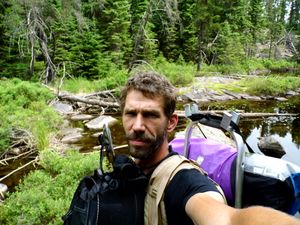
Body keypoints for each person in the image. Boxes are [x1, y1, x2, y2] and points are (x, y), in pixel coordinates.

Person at [119, 71, 300, 225]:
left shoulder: (184, 181)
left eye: (150, 115)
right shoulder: (127, 169)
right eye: (131, 113)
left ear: (171, 122)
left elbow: (227, 219)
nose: (137, 125)